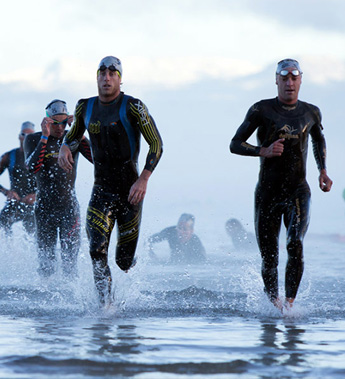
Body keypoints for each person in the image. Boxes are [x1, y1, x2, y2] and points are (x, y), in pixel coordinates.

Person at [58, 56, 163, 305]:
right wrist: (64, 147)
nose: (106, 78)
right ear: (96, 77)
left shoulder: (133, 107)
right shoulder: (85, 107)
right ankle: (106, 306)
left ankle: (130, 262)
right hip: (101, 190)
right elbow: (73, 136)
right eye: (102, 73)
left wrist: (144, 179)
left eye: (112, 73)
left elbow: (156, 144)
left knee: (123, 262)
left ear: (119, 78)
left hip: (131, 192)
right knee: (96, 250)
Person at [230, 58, 332, 310]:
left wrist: (323, 171)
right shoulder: (261, 110)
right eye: (284, 78)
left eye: (294, 78)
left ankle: (289, 305)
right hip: (267, 193)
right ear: (276, 80)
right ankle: (273, 305)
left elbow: (318, 140)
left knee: (294, 242)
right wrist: (262, 151)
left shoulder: (311, 112)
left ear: (300, 80)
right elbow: (235, 143)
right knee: (270, 257)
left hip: (298, 190)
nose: (289, 83)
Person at [24, 99, 93, 278]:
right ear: (47, 121)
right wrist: (45, 137)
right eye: (56, 123)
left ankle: (70, 301)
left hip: (68, 208)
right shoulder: (33, 138)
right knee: (46, 265)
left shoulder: (72, 139)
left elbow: (97, 159)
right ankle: (47, 302)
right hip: (44, 209)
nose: (61, 128)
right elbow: (32, 167)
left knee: (70, 263)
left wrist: (80, 131)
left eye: (64, 123)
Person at [0, 121, 36, 235]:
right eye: (24, 135)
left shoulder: (40, 156)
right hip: (15, 202)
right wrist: (7, 192)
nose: (26, 138)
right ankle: (8, 251)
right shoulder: (9, 156)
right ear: (19, 137)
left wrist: (36, 195)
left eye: (30, 135)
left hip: (33, 204)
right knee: (3, 223)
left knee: (34, 233)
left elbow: (52, 181)